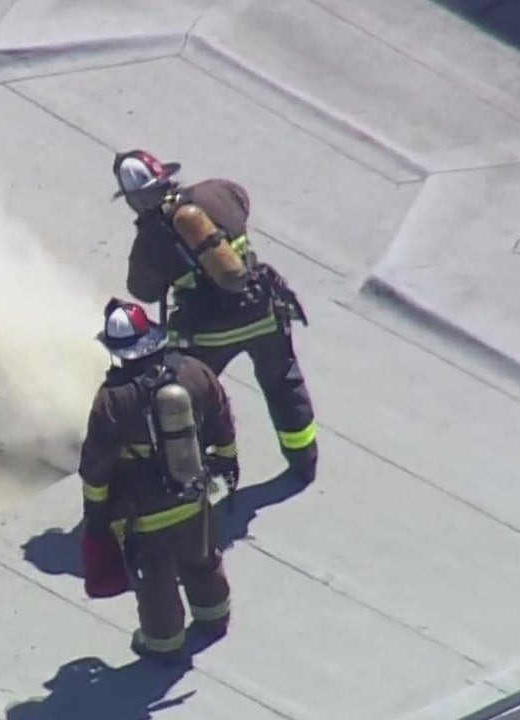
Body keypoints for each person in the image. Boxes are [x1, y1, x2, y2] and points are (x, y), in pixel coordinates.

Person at [113, 149, 318, 483]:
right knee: (284, 383)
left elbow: (142, 291)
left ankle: (197, 469)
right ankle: (304, 463)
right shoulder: (217, 192)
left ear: (135, 199)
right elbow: (243, 200)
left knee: (186, 398)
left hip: (207, 335)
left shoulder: (150, 241)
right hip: (263, 313)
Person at [78, 299, 238, 663]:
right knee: (203, 560)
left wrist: (96, 517)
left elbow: (96, 467)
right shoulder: (193, 371)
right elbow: (220, 414)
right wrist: (227, 459)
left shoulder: (111, 401)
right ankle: (214, 619)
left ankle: (164, 646)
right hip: (194, 495)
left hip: (144, 515)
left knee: (156, 583)